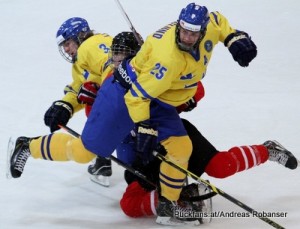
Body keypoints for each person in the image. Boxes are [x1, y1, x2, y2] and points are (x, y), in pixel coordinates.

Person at [8, 2, 298, 226]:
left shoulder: (96, 46)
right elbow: (122, 90)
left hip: (147, 99)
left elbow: (218, 23)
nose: (70, 49)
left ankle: (169, 205)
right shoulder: (155, 59)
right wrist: (70, 104)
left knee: (183, 147)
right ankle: (28, 145)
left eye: (70, 43)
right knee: (88, 152)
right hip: (127, 100)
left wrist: (234, 37)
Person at [43, 17, 115, 186]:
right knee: (91, 96)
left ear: (80, 36)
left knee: (94, 101)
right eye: (63, 46)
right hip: (120, 107)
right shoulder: (79, 64)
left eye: (68, 43)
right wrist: (65, 105)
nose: (66, 49)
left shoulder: (94, 44)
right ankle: (103, 154)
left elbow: (113, 67)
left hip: (129, 104)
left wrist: (104, 92)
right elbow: (78, 89)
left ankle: (102, 150)